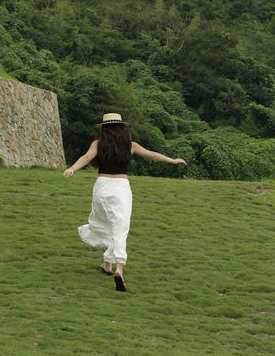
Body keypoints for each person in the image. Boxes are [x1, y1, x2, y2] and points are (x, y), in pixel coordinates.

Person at [63, 113, 187, 292]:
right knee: (120, 227)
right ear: (123, 128)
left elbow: (86, 158)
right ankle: (118, 269)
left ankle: (107, 265)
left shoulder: (98, 144)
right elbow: (152, 155)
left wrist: (72, 169)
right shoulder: (130, 145)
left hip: (102, 187)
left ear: (104, 128)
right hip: (121, 187)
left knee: (104, 222)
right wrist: (173, 160)